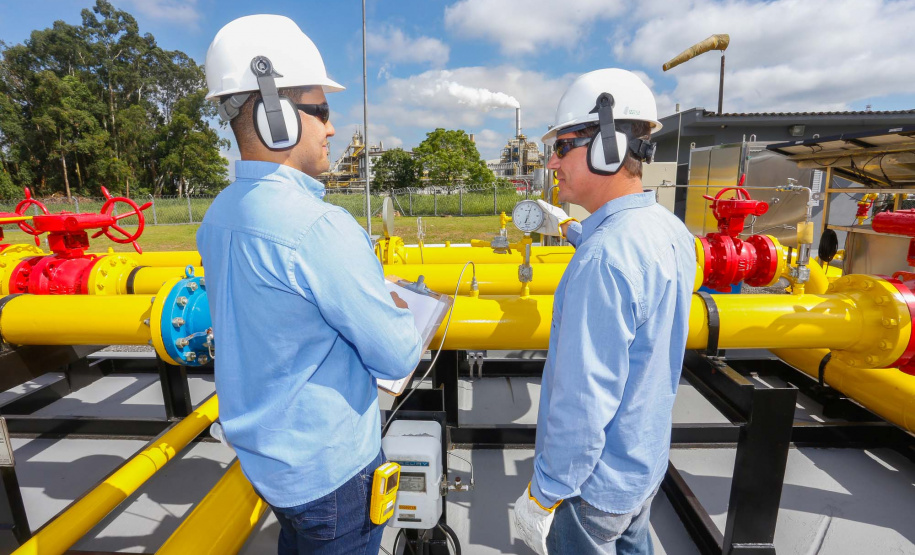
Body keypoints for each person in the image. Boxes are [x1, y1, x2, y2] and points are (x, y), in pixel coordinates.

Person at [197, 15, 422, 554]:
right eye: (320, 111)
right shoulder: (318, 227)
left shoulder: (219, 215)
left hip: (269, 466)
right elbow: (397, 355)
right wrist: (388, 306)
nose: (331, 127)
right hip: (332, 477)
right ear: (277, 116)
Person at [512, 69, 697, 555]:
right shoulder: (670, 230)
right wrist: (568, 227)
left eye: (563, 146)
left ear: (608, 146)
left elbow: (583, 402)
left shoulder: (603, 261)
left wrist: (544, 493)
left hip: (590, 492)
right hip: (642, 464)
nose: (552, 163)